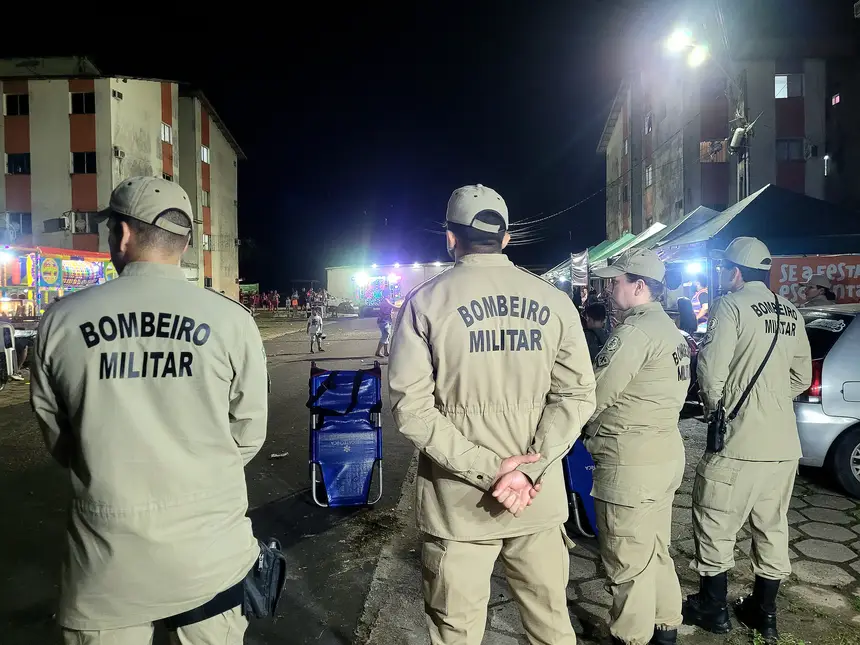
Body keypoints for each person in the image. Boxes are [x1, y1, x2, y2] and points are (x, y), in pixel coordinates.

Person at [29, 176, 269, 645]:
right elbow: (249, 432)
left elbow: (57, 436)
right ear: (184, 244)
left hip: (107, 564)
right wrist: (197, 469)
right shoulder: (230, 320)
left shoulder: (61, 321)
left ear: (121, 234)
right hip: (208, 557)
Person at [388, 184, 596, 645]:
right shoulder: (555, 302)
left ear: (450, 238)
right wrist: (530, 469)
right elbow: (579, 395)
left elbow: (413, 410)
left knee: (456, 630)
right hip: (536, 501)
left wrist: (490, 471)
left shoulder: (425, 304)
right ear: (505, 238)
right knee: (550, 625)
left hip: (458, 507)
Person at [683, 237, 812, 642]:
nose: (722, 275)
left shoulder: (730, 305)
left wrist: (718, 409)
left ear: (735, 272)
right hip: (784, 445)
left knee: (715, 522)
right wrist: (770, 401)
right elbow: (801, 378)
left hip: (738, 444)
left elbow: (711, 371)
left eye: (724, 269)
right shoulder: (792, 312)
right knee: (772, 528)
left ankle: (713, 609)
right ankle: (765, 614)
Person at [583, 249, 690, 645]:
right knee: (656, 549)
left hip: (630, 462)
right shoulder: (669, 332)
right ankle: (665, 628)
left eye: (617, 282)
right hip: (663, 454)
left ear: (639, 286)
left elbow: (593, 396)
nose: (611, 289)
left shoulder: (635, 334)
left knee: (626, 560)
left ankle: (630, 637)